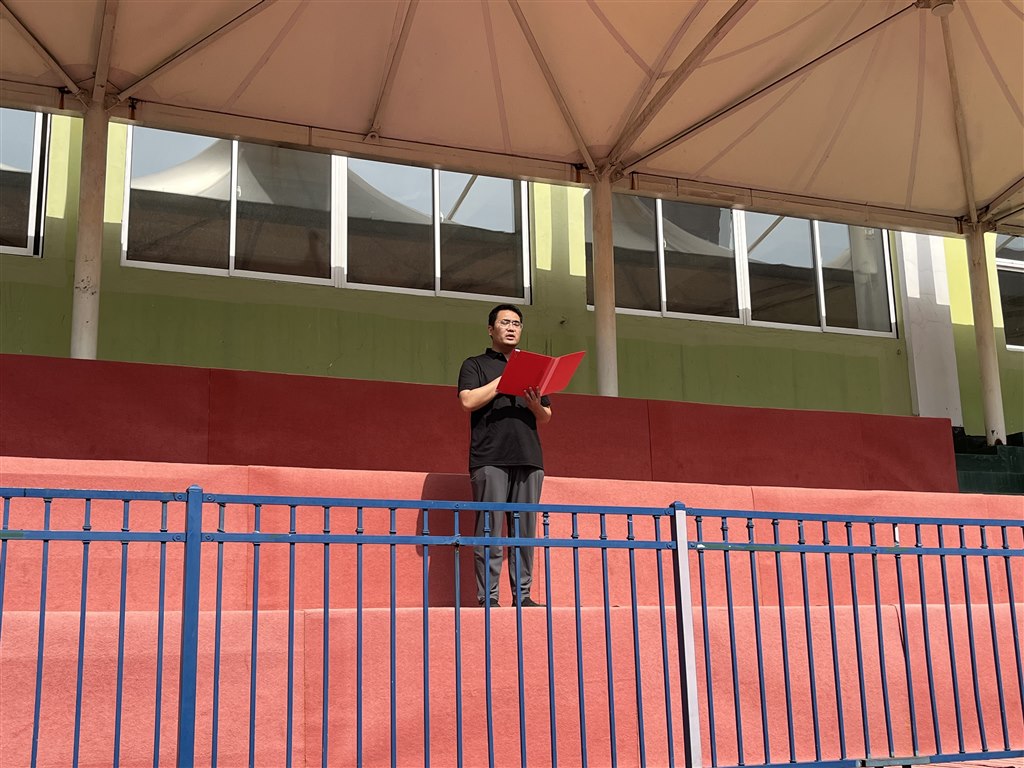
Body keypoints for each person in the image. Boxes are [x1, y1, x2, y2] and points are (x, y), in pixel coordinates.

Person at [457, 304, 551, 607]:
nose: (511, 328)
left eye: (517, 324)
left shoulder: (534, 367)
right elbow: (467, 401)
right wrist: (505, 380)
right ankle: (489, 598)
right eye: (505, 322)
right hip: (490, 457)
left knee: (525, 532)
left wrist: (534, 404)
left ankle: (523, 596)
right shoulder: (475, 364)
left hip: (529, 457)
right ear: (491, 329)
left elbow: (546, 415)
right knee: (490, 529)